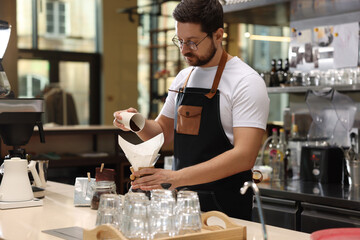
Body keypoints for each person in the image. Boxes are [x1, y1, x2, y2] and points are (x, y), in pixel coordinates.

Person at [113, 0, 269, 220]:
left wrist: (175, 178)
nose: (184, 50)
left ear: (218, 35)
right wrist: (136, 122)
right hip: (182, 208)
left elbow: (244, 156)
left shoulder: (246, 81)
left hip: (225, 212)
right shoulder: (183, 79)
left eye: (193, 42)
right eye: (180, 40)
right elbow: (163, 134)